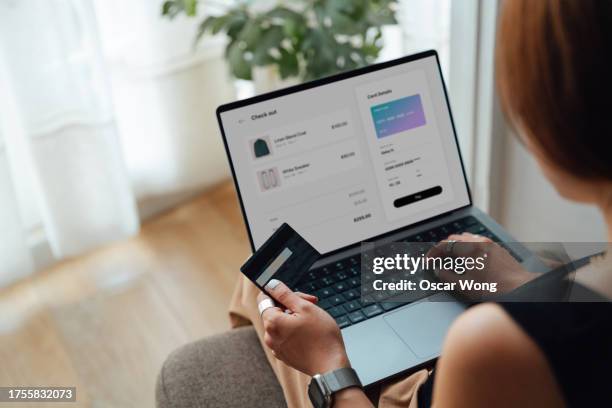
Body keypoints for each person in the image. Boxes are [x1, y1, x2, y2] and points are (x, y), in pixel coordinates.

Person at [229, 1, 612, 406]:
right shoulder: (586, 281)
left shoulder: (491, 347)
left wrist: (330, 365)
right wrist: (523, 287)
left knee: (263, 286)